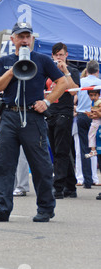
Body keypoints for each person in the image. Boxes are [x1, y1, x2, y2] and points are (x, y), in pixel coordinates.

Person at [0, 22, 68, 223]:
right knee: (3, 165)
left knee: (41, 166)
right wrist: (11, 71)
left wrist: (47, 101)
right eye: (20, 36)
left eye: (27, 36)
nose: (24, 40)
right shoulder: (5, 61)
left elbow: (63, 82)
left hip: (33, 117)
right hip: (9, 116)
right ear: (12, 39)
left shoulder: (41, 60)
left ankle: (46, 208)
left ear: (31, 39)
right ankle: (1, 209)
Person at [46, 42, 80, 199]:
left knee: (61, 151)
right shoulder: (48, 71)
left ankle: (58, 186)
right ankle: (71, 186)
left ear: (66, 55)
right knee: (57, 151)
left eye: (61, 54)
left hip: (64, 114)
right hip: (50, 113)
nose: (58, 57)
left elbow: (74, 91)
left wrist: (65, 71)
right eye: (56, 55)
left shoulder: (72, 70)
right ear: (52, 55)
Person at [75, 60, 101, 189]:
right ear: (97, 70)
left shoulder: (81, 82)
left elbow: (75, 96)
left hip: (82, 115)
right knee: (97, 147)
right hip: (97, 117)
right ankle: (96, 177)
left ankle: (87, 179)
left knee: (84, 148)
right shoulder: (100, 83)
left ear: (86, 69)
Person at [85, 89, 101, 159]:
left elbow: (98, 113)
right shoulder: (92, 103)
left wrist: (95, 112)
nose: (93, 97)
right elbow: (93, 115)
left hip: (97, 122)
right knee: (91, 135)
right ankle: (93, 150)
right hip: (94, 121)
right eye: (91, 95)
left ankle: (93, 150)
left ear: (99, 95)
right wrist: (89, 114)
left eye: (95, 95)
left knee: (92, 135)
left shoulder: (99, 102)